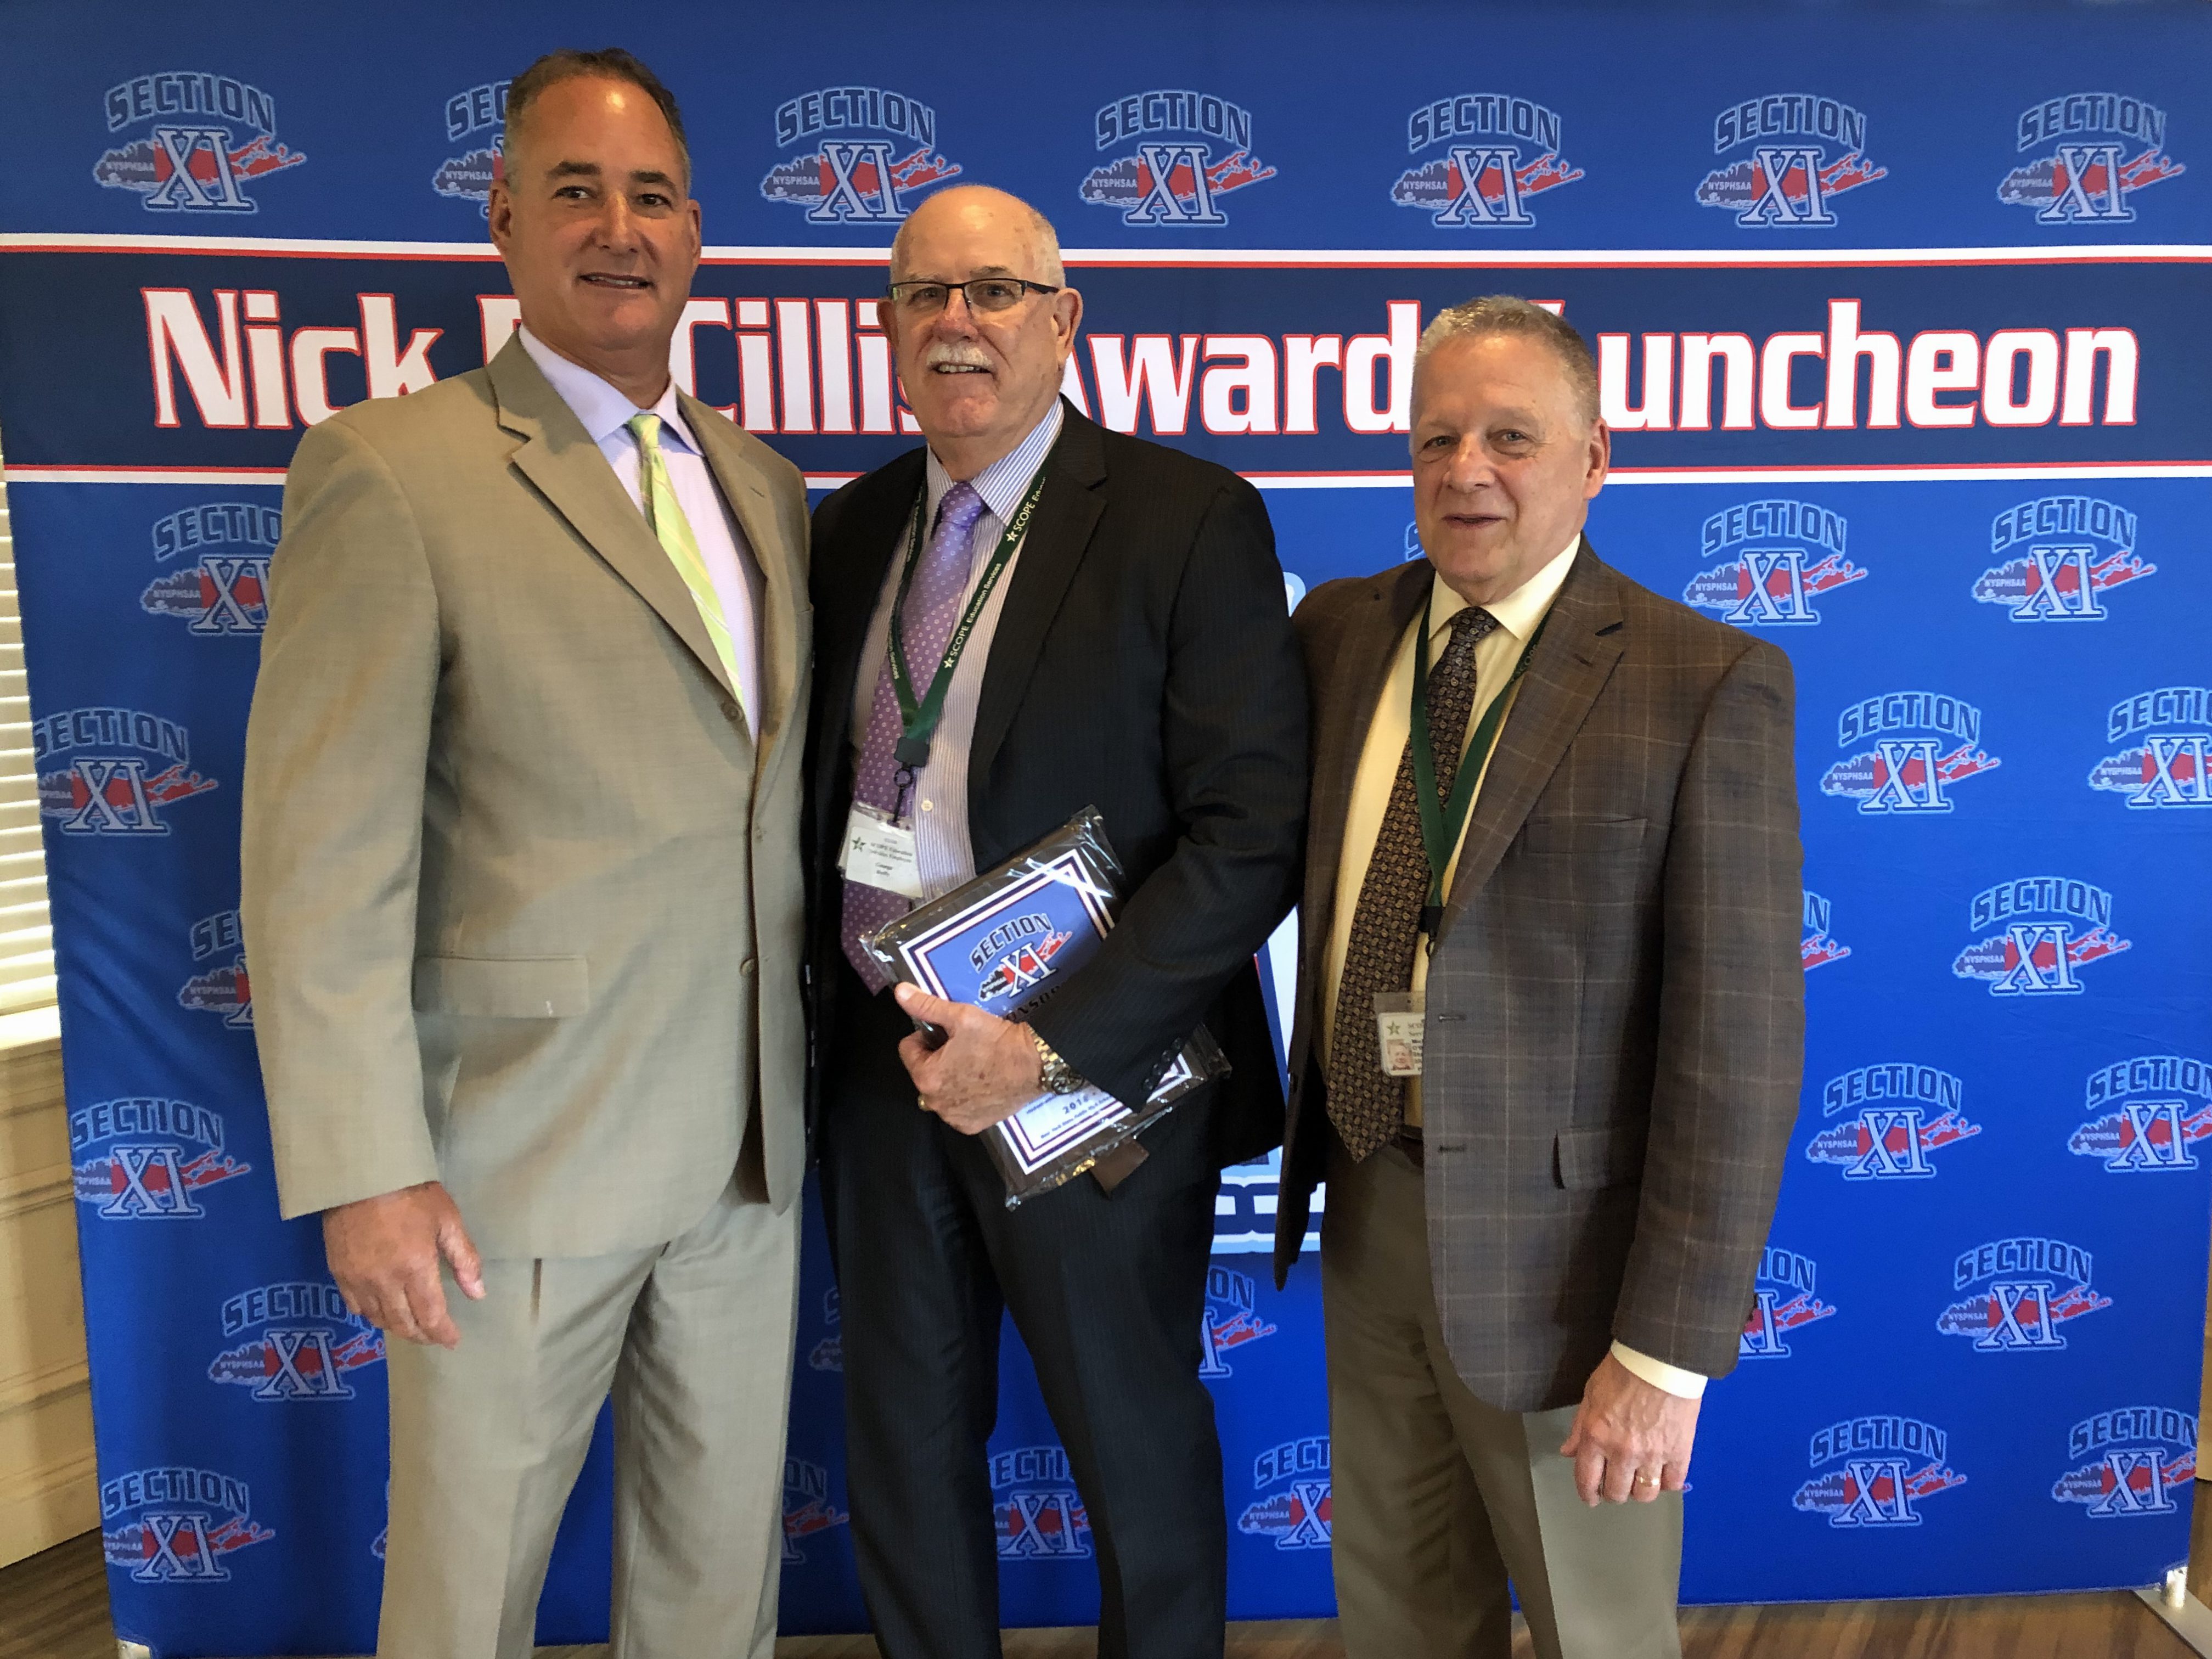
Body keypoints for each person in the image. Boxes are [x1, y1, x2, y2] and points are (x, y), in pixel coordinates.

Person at [240, 49, 810, 1659]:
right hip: (512, 1169)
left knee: (717, 1600)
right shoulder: (391, 470)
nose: (617, 228)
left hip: (749, 1161)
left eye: (650, 196)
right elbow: (318, 857)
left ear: (695, 232)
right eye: (575, 190)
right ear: (502, 215)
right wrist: (366, 1169)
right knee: (465, 1602)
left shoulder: (764, 487)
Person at [804, 184, 1306, 1659]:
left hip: (1090, 1072)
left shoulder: (1184, 518)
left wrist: (1044, 1045)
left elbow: (1248, 833)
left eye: (995, 291)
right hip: (884, 1060)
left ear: (1064, 319)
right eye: (924, 294)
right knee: (903, 1446)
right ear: (889, 327)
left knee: (1132, 1446)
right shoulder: (851, 530)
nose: (956, 323)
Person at [1275, 296, 1803, 1658]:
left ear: (1595, 458)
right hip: (1370, 1209)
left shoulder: (1705, 680)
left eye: (1511, 437)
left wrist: (1665, 1354)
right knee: (1397, 1622)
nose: (1467, 470)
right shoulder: (1339, 633)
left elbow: (1738, 1049)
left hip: (1573, 1280)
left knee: (1601, 1633)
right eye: (1437, 437)